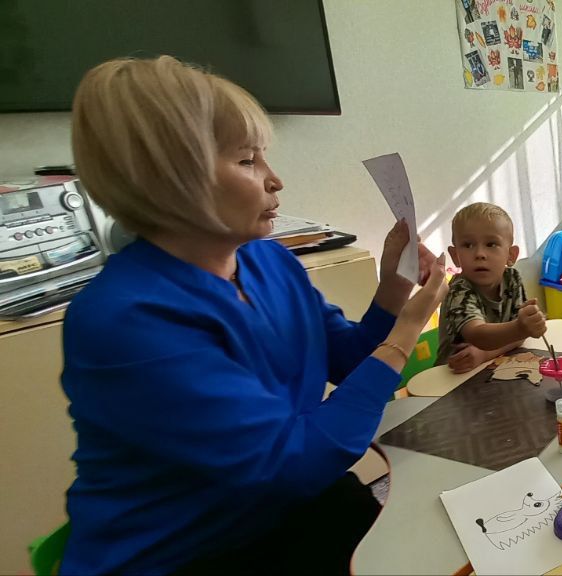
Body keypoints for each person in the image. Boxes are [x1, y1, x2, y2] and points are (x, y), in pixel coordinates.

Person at [60, 56, 448, 574]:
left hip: (284, 510)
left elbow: (352, 362)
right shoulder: (125, 319)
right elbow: (294, 463)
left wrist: (394, 288)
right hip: (187, 553)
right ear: (169, 179)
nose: (275, 180)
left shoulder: (270, 262)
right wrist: (404, 334)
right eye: (248, 161)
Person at [437, 202, 547, 373]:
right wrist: (521, 327)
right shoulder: (459, 290)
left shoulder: (512, 279)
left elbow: (519, 337)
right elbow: (478, 335)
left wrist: (485, 355)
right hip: (452, 378)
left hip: (496, 366)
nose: (480, 254)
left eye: (491, 244)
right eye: (468, 245)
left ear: (511, 255)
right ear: (455, 255)